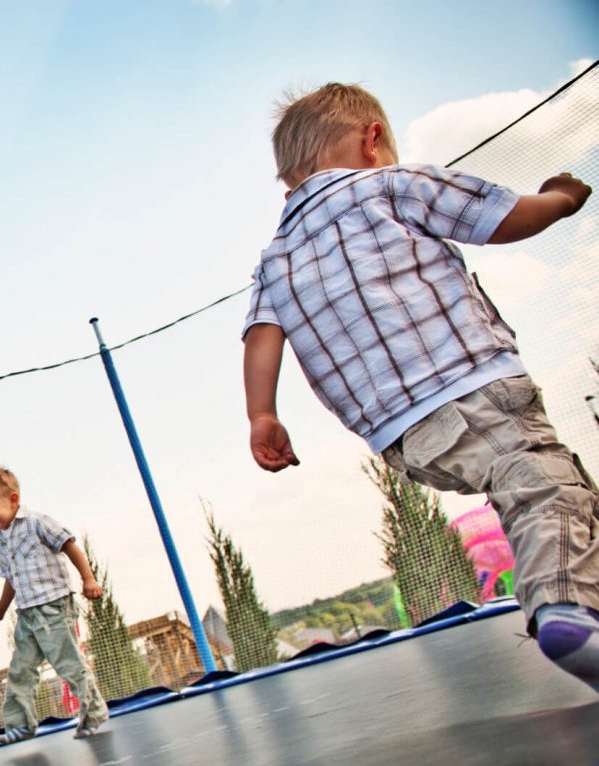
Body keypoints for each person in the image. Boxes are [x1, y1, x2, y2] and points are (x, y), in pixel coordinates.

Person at [242, 82, 599, 691]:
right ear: (371, 139)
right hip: (470, 388)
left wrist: (262, 417)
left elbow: (262, 337)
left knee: (538, 496)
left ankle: (579, 604)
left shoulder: (276, 256)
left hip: (404, 440)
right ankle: (565, 608)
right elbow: (503, 218)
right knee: (545, 489)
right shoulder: (389, 184)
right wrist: (559, 198)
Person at [0, 466, 112, 742]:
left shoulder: (37, 523)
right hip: (27, 615)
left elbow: (68, 544)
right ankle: (20, 726)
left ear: (13, 500)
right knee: (20, 670)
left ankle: (94, 711)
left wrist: (89, 579)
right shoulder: (1, 543)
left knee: (68, 663)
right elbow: (11, 579)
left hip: (54, 607)